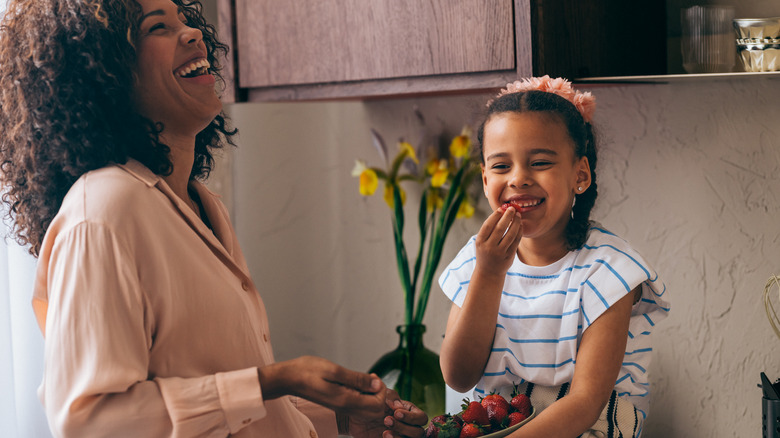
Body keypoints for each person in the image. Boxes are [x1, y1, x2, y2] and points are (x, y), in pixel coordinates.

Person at [0, 0, 427, 437]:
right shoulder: (104, 211)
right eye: (157, 28)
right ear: (103, 74)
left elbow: (219, 398)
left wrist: (339, 416)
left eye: (185, 21)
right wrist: (274, 379)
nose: (192, 33)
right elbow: (92, 422)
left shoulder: (199, 204)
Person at [437, 76, 670, 437]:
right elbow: (458, 377)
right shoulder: (477, 261)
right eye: (501, 166)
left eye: (540, 162)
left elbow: (586, 402)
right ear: (485, 180)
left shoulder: (609, 271)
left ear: (580, 174)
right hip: (498, 424)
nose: (518, 178)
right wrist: (489, 274)